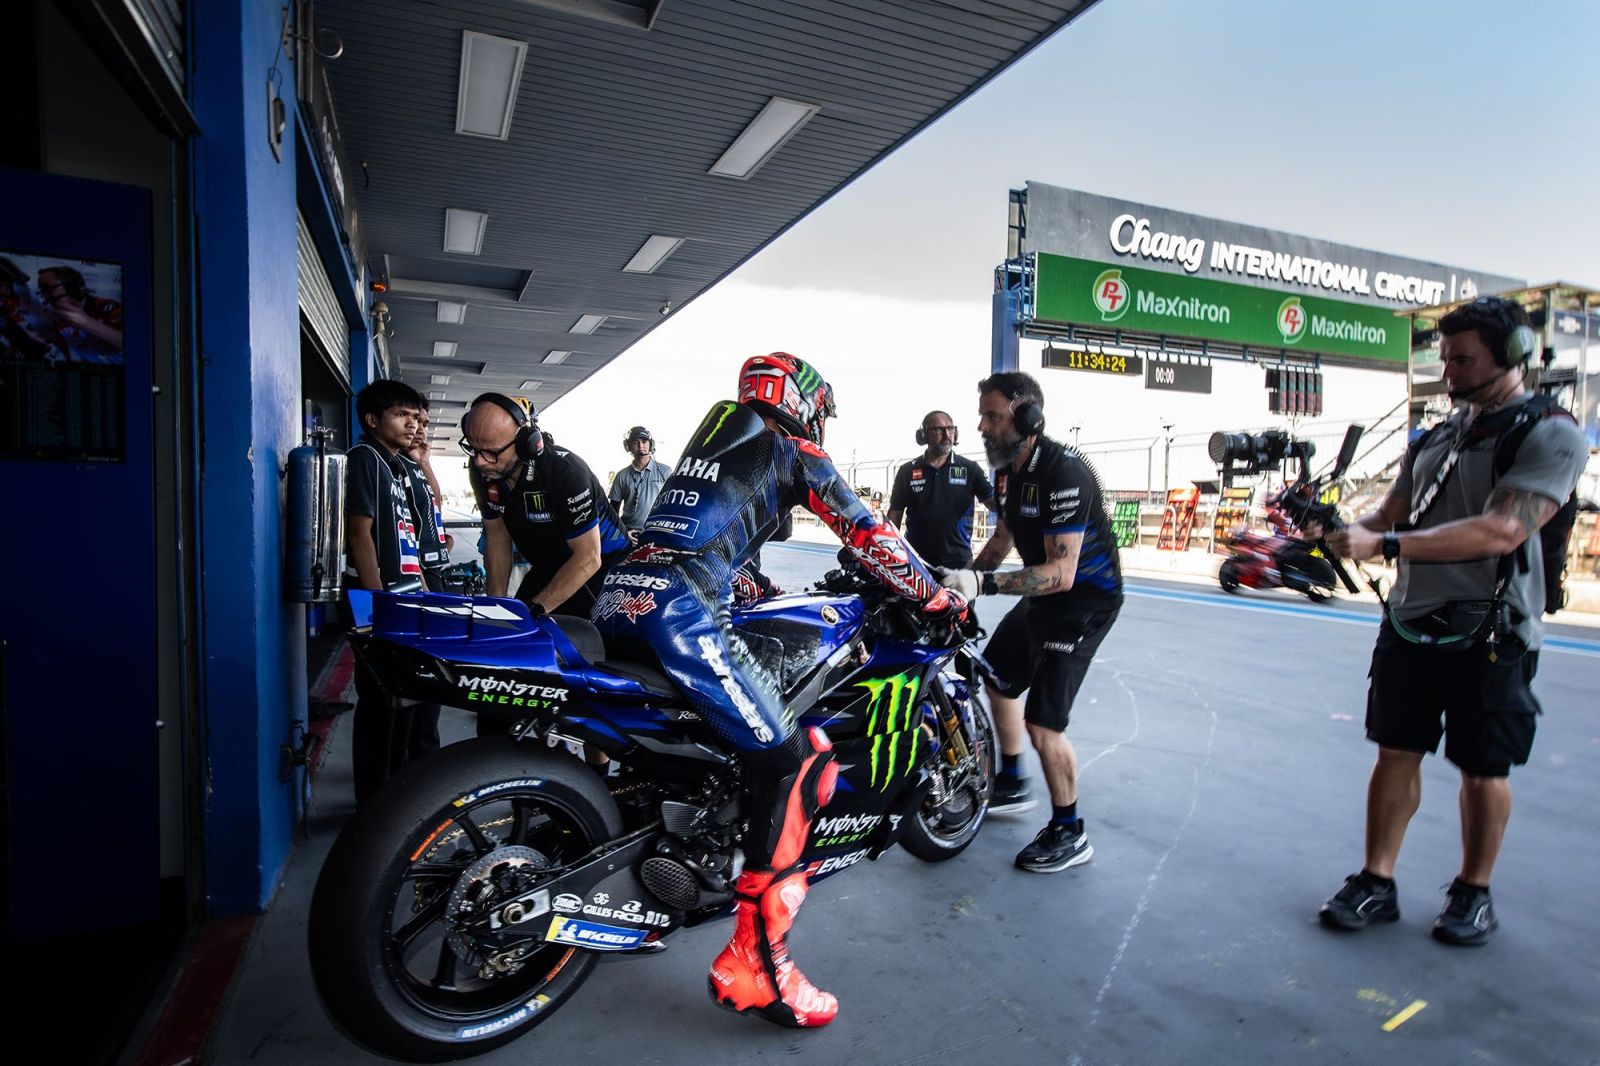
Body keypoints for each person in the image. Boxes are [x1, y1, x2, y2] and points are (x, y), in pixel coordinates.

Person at [592, 353, 965, 1028]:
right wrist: (937, 597)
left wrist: (756, 587)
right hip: (680, 612)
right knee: (795, 760)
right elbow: (870, 534)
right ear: (803, 404)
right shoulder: (792, 450)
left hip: (620, 600)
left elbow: (698, 539)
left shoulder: (712, 444)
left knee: (712, 738)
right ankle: (758, 964)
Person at [1321, 296, 1586, 946]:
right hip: (1411, 621)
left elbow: (1501, 530)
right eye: (1444, 359)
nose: (1448, 372)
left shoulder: (1552, 434)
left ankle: (1474, 891)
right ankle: (1376, 880)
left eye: (1463, 359)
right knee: (1395, 751)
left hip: (1493, 631)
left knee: (1483, 768)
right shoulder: (1438, 436)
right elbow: (1390, 514)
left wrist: (1385, 547)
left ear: (1514, 354)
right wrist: (1340, 532)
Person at [938, 371, 1123, 874]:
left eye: (992, 416)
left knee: (1044, 724)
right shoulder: (1006, 473)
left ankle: (1069, 830)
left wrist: (983, 585)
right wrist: (957, 582)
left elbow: (1061, 572)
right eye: (981, 415)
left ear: (1028, 418)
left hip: (1084, 602)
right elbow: (1003, 541)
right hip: (1044, 595)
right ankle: (1013, 781)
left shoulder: (1065, 473)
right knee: (997, 676)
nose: (982, 426)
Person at [461, 393, 631, 738]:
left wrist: (532, 612)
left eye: (491, 451)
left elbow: (588, 558)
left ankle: (595, 762)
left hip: (603, 572)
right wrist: (498, 611)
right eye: (473, 449)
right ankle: (497, 750)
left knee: (589, 674)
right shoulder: (484, 472)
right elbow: (497, 540)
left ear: (526, 442)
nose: (479, 461)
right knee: (502, 655)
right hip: (550, 565)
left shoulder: (565, 472)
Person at [344, 379, 432, 802]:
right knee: (380, 703)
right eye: (401, 415)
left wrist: (426, 596)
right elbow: (359, 534)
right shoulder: (365, 458)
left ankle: (395, 794)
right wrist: (376, 606)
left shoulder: (396, 464)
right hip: (379, 602)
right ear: (372, 420)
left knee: (404, 700)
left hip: (407, 597)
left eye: (415, 416)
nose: (412, 424)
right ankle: (373, 804)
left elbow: (408, 541)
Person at [888, 409, 996, 569]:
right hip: (916, 563)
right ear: (923, 435)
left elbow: (995, 504)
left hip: (958, 564)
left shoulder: (970, 469)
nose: (947, 436)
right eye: (939, 430)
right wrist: (890, 554)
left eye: (950, 429)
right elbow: (894, 515)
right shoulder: (906, 471)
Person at [37, 265, 124, 360]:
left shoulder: (108, 307)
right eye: (42, 290)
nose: (44, 296)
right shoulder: (58, 321)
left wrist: (86, 323)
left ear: (72, 288)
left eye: (49, 289)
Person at [608, 425, 673, 533]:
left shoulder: (665, 471)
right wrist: (623, 532)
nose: (640, 446)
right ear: (628, 446)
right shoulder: (622, 475)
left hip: (657, 531)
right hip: (629, 532)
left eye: (644, 442)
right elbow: (613, 512)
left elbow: (673, 504)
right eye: (635, 442)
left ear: (651, 445)